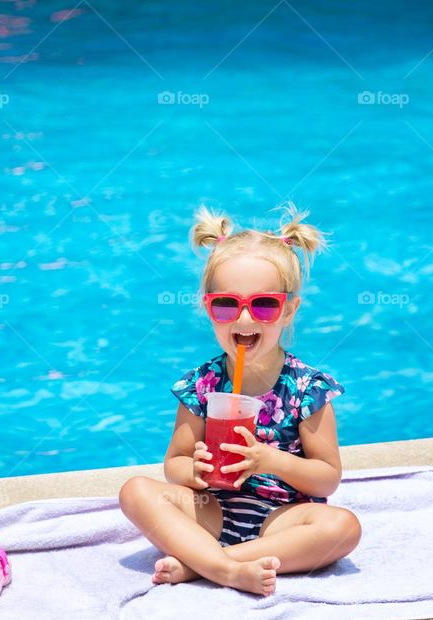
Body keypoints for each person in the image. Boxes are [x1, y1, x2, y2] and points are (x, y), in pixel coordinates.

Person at [118, 202, 362, 597]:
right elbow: (174, 464)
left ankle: (206, 564)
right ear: (208, 308)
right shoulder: (202, 384)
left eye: (264, 305)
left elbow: (327, 476)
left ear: (289, 311)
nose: (244, 319)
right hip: (211, 511)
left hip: (282, 519)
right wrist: (192, 470)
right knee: (136, 491)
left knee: (342, 527)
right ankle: (222, 565)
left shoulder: (306, 388)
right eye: (227, 304)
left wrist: (269, 459)